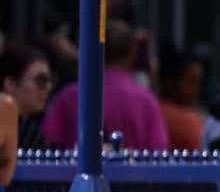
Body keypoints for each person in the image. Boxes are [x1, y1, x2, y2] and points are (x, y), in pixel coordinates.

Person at [42, 20, 169, 151]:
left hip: (73, 171)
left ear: (92, 49)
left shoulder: (69, 96)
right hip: (134, 172)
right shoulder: (146, 100)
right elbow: (158, 151)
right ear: (132, 52)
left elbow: (50, 144)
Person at [0, 43, 54, 151]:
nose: (48, 87)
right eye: (41, 80)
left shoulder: (31, 132)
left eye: (50, 80)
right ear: (10, 84)